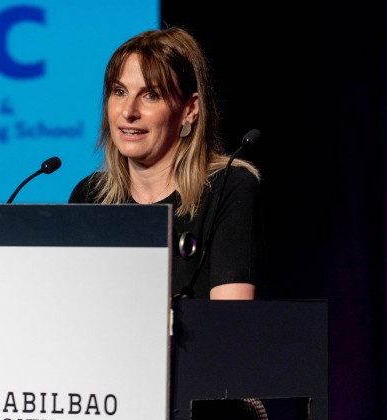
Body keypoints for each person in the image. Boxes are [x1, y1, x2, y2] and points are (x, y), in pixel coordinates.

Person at [68, 26, 263, 301]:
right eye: (119, 91)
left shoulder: (228, 187)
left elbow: (231, 318)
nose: (128, 111)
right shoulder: (89, 197)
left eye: (151, 95)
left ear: (190, 110)